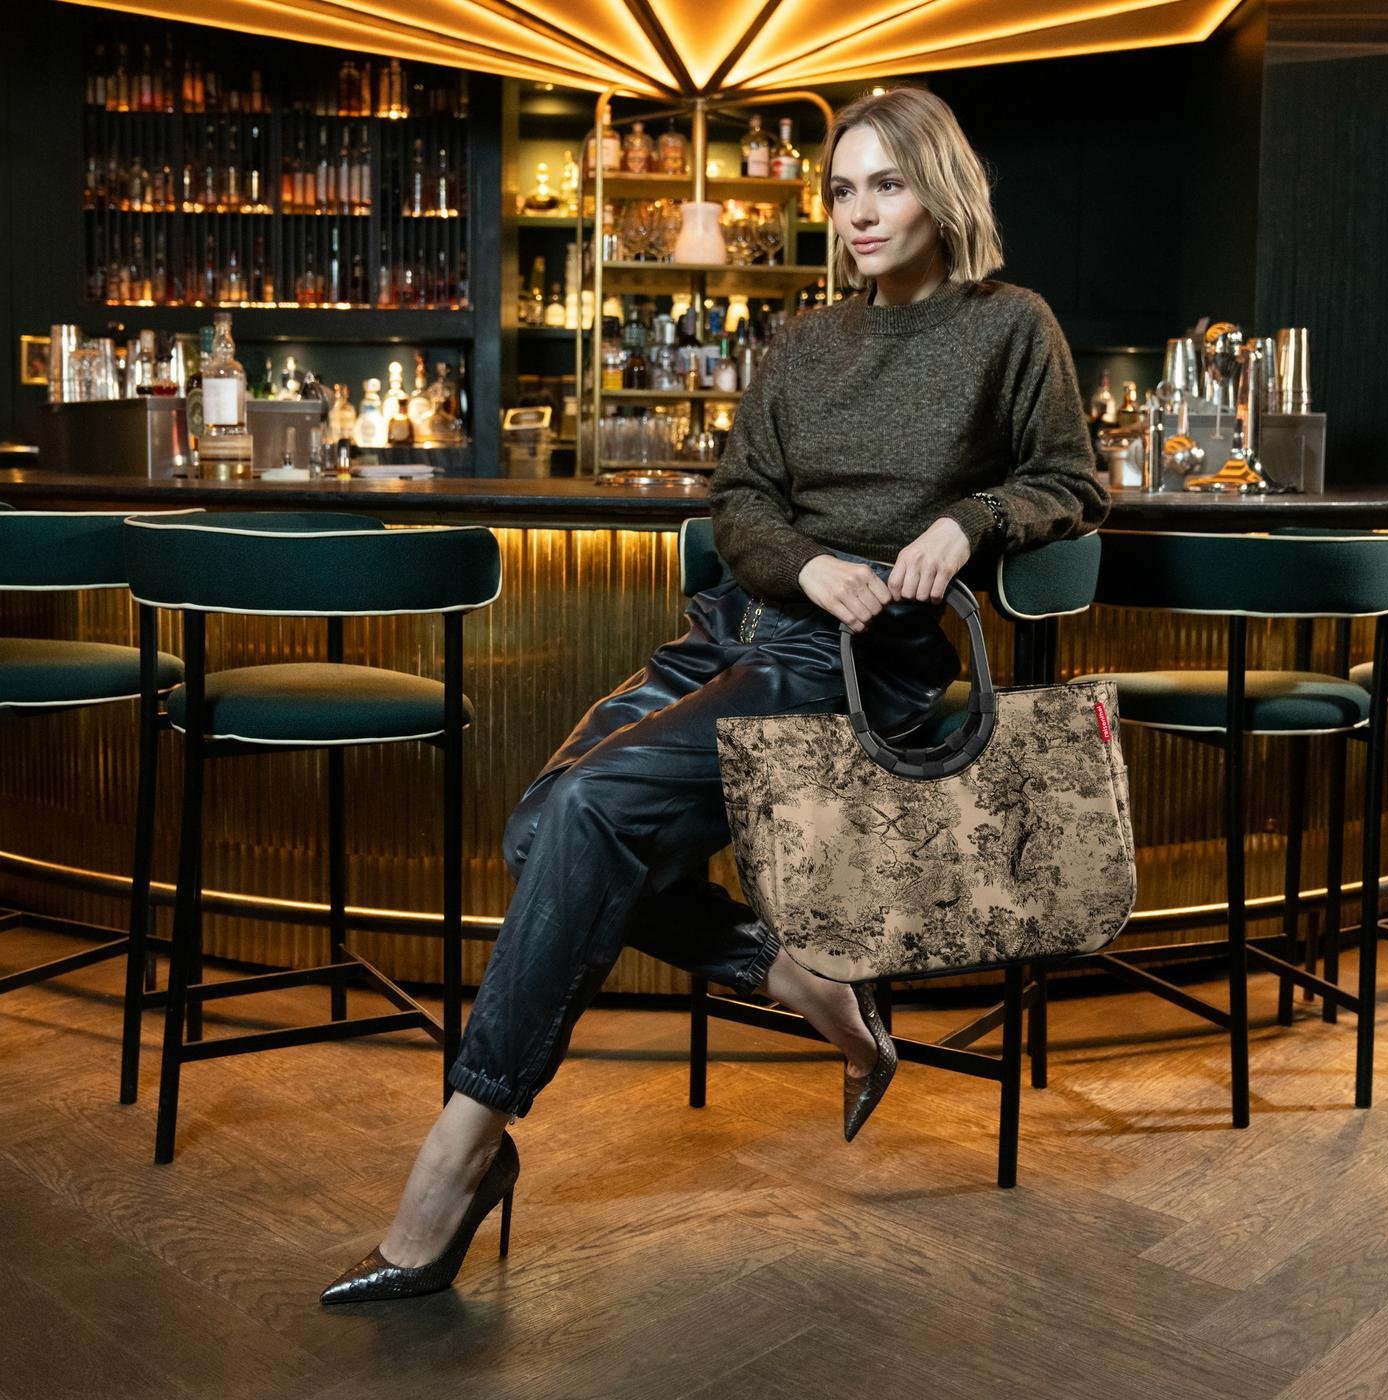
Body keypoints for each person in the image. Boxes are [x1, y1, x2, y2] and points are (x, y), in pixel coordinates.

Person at [320, 86, 1110, 1305]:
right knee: (537, 827)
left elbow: (1071, 479)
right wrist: (804, 562)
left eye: (885, 184)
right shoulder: (804, 339)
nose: (857, 213)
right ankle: (797, 975)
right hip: (735, 628)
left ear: (942, 190)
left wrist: (969, 520)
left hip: (856, 661)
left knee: (586, 815)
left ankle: (457, 1153)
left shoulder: (1009, 327)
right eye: (840, 190)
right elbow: (736, 503)